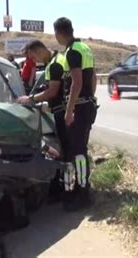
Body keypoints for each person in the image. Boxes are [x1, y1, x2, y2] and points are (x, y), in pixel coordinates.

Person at [54, 17, 98, 211]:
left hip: (79, 108)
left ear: (60, 33)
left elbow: (77, 83)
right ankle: (78, 189)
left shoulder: (72, 52)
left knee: (78, 151)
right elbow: (94, 78)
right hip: (86, 105)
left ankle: (83, 192)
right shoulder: (85, 48)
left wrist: (70, 110)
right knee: (78, 149)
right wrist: (90, 99)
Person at [16, 40, 67, 200]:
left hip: (63, 112)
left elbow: (53, 91)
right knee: (65, 152)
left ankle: (67, 190)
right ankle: (67, 189)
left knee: (65, 153)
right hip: (61, 110)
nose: (34, 60)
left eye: (32, 56)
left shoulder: (54, 63)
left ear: (38, 50)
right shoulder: (55, 60)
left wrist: (31, 98)